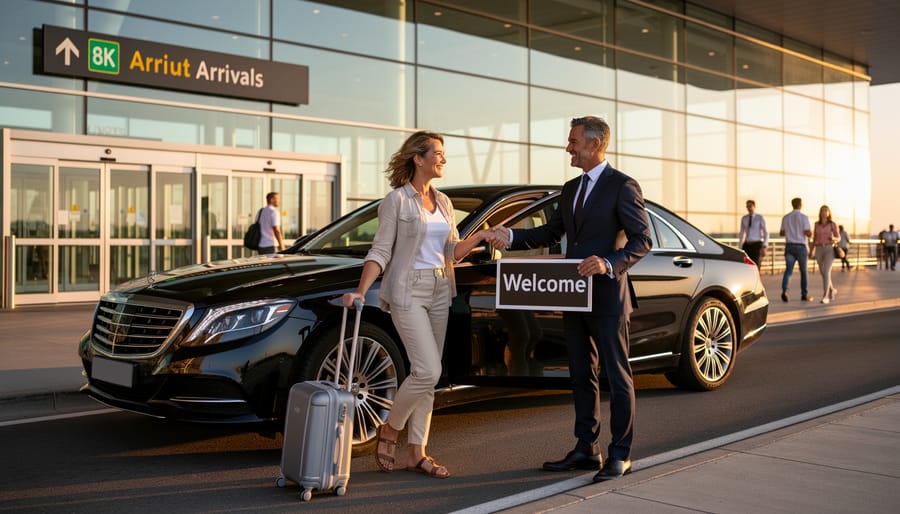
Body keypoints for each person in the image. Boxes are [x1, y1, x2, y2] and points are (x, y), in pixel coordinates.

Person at [487, 116, 652, 482]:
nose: (568, 147)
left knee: (617, 376)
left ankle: (620, 454)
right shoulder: (570, 187)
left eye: (573, 140)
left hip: (608, 295)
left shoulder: (623, 186)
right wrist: (509, 237)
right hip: (574, 295)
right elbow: (550, 231)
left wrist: (608, 263)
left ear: (594, 144)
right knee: (581, 375)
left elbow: (643, 241)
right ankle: (586, 449)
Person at [342, 130, 489, 479]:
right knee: (428, 371)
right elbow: (380, 250)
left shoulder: (444, 202)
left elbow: (451, 251)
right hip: (408, 289)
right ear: (418, 158)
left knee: (426, 376)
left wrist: (480, 236)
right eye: (437, 153)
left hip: (441, 287)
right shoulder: (396, 201)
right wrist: (362, 290)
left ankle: (416, 453)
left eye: (443, 153)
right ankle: (390, 429)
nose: (444, 159)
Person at [779, 197, 813, 302]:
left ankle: (785, 291)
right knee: (803, 272)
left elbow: (781, 233)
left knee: (788, 270)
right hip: (801, 247)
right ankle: (804, 294)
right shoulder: (804, 217)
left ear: (792, 204)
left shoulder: (786, 217)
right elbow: (808, 232)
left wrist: (790, 231)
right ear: (800, 205)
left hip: (789, 246)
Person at [812, 205, 840, 304]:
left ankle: (826, 296)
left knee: (827, 271)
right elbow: (814, 238)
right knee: (823, 272)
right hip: (819, 248)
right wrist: (811, 250)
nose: (824, 213)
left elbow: (838, 237)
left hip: (829, 249)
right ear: (820, 213)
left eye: (826, 211)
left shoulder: (832, 224)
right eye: (822, 211)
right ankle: (832, 289)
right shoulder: (816, 224)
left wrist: (834, 238)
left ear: (829, 213)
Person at [738, 199, 769, 268]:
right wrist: (740, 247)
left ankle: (757, 278)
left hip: (757, 245)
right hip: (747, 245)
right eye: (747, 206)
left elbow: (766, 232)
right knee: (746, 266)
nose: (749, 208)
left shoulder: (760, 218)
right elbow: (742, 233)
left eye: (750, 206)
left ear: (754, 206)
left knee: (756, 266)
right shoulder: (744, 218)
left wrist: (764, 246)